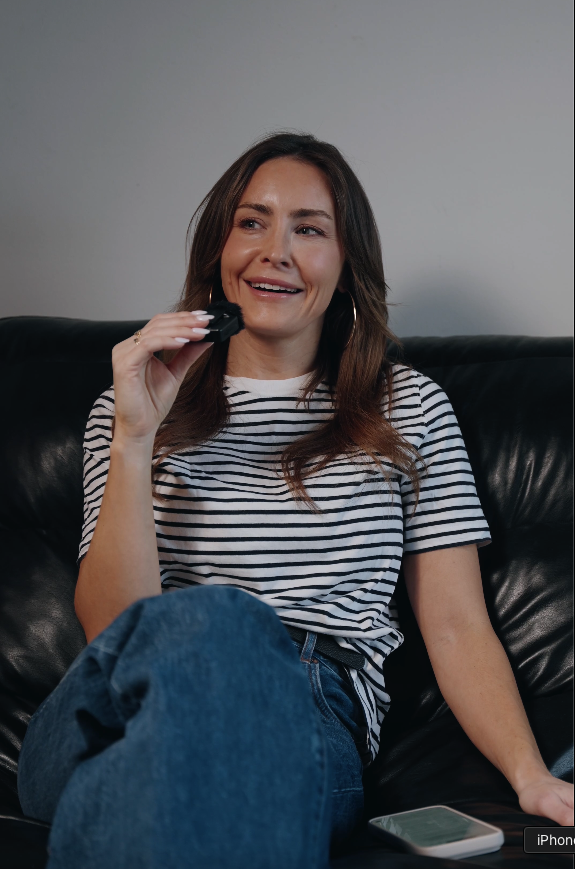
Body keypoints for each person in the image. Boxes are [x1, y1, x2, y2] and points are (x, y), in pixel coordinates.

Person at [18, 133, 573, 868]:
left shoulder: (407, 407)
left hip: (303, 702)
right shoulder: (128, 406)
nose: (273, 251)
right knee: (214, 627)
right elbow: (114, 630)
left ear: (345, 268)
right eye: (251, 222)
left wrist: (530, 776)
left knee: (159, 782)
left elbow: (455, 625)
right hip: (122, 699)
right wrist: (135, 435)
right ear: (220, 249)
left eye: (308, 229)